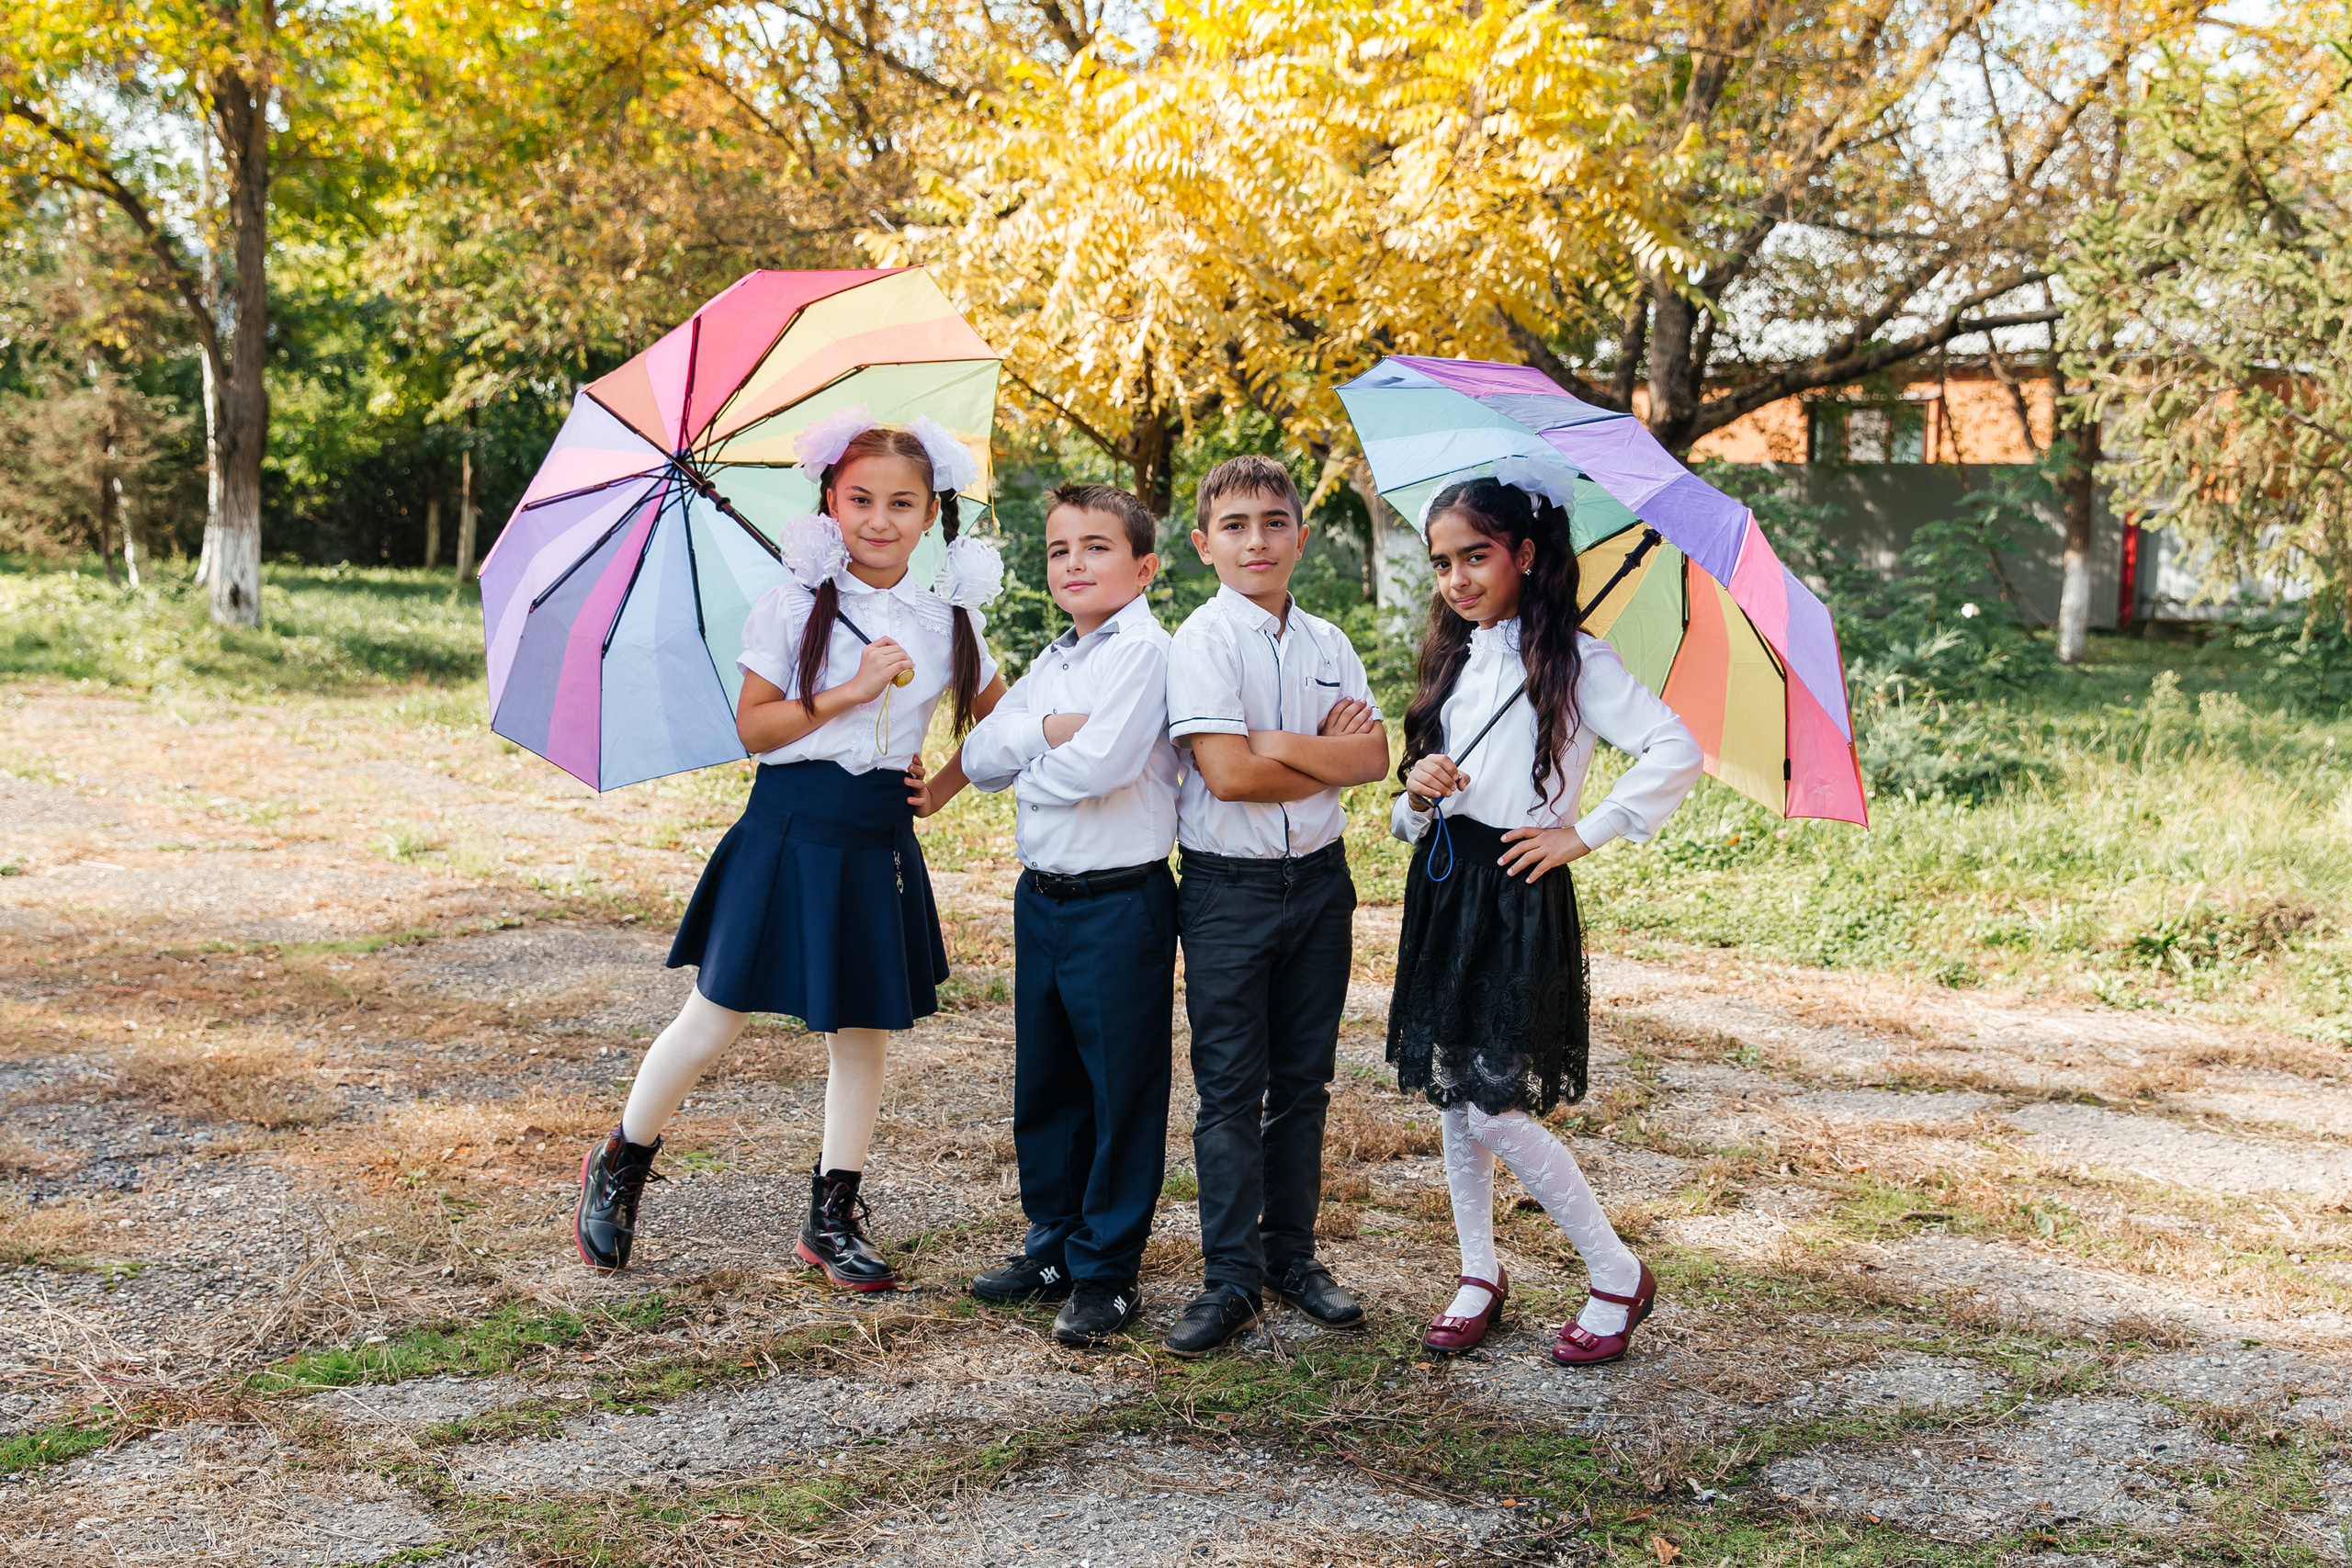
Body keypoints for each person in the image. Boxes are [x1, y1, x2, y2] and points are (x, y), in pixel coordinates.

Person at [574, 413, 1006, 1290]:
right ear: (830, 504)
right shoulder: (794, 605)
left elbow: (1005, 722)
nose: (879, 519)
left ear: (932, 513)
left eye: (902, 503)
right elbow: (755, 727)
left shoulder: (946, 619)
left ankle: (831, 1215)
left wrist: (942, 786)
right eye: (860, 499)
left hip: (876, 837)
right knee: (714, 1015)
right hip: (787, 828)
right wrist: (851, 689)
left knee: (862, 1029)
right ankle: (621, 1158)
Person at [1387, 468, 1702, 1366]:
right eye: (1442, 562)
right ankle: (1478, 1272)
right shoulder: (1456, 656)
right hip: (1448, 887)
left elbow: (1676, 745)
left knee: (1493, 1107)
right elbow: (1407, 819)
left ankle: (1616, 1272)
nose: (1456, 578)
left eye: (1475, 556)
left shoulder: (1575, 660)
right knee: (1458, 1099)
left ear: (1525, 554)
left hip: (1517, 889)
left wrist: (1584, 833)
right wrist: (1418, 792)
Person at [1159, 455, 1391, 1358]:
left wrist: (1270, 742)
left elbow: (1372, 759)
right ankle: (1230, 1278)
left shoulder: (1330, 644)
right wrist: (1313, 754)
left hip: (1322, 885)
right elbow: (1227, 775)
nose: (1256, 540)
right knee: (1230, 1089)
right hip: (1229, 889)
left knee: (1303, 1082)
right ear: (1203, 544)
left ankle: (1291, 1258)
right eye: (1235, 526)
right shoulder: (1203, 641)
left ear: (1301, 534)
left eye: (1273, 522)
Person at [959, 482, 1181, 1347]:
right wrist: (1046, 730)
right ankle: (1052, 1242)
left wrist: (1026, 760)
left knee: (1119, 1087)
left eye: (1096, 546)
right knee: (1047, 1082)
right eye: (1059, 549)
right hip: (1042, 898)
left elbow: (1102, 767)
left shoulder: (1144, 653)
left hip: (1119, 901)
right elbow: (977, 756)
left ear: (1145, 566)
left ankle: (1108, 1269)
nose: (1074, 563)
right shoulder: (1054, 661)